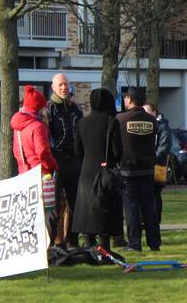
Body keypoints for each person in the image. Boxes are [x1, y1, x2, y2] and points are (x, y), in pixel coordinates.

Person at [74, 88, 123, 249]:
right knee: (106, 208)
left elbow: (77, 150)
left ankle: (89, 244)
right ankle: (105, 246)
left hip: (87, 171)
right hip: (106, 171)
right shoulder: (112, 122)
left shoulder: (81, 123)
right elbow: (118, 151)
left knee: (88, 208)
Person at [113, 90, 160, 252]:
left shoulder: (120, 119)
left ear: (130, 99)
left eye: (126, 97)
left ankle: (134, 243)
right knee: (149, 207)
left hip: (128, 170)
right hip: (147, 170)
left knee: (132, 208)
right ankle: (154, 243)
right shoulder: (152, 120)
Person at [11, 86, 58, 241]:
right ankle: (45, 249)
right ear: (38, 107)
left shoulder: (19, 126)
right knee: (45, 213)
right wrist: (52, 165)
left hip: (24, 173)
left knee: (29, 213)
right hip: (40, 174)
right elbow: (43, 152)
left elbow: (16, 152)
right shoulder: (37, 126)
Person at [42, 73, 83, 248]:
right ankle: (52, 243)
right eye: (60, 85)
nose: (64, 88)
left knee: (75, 202)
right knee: (55, 205)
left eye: (66, 84)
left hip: (74, 159)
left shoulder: (75, 108)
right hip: (56, 160)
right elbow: (45, 135)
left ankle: (72, 240)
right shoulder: (48, 109)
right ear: (53, 87)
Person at [143, 102, 172, 225]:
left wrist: (153, 158)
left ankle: (155, 220)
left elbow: (164, 145)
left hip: (157, 164)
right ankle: (146, 220)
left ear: (155, 112)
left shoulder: (162, 126)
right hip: (147, 163)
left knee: (154, 193)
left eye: (148, 112)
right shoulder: (147, 124)